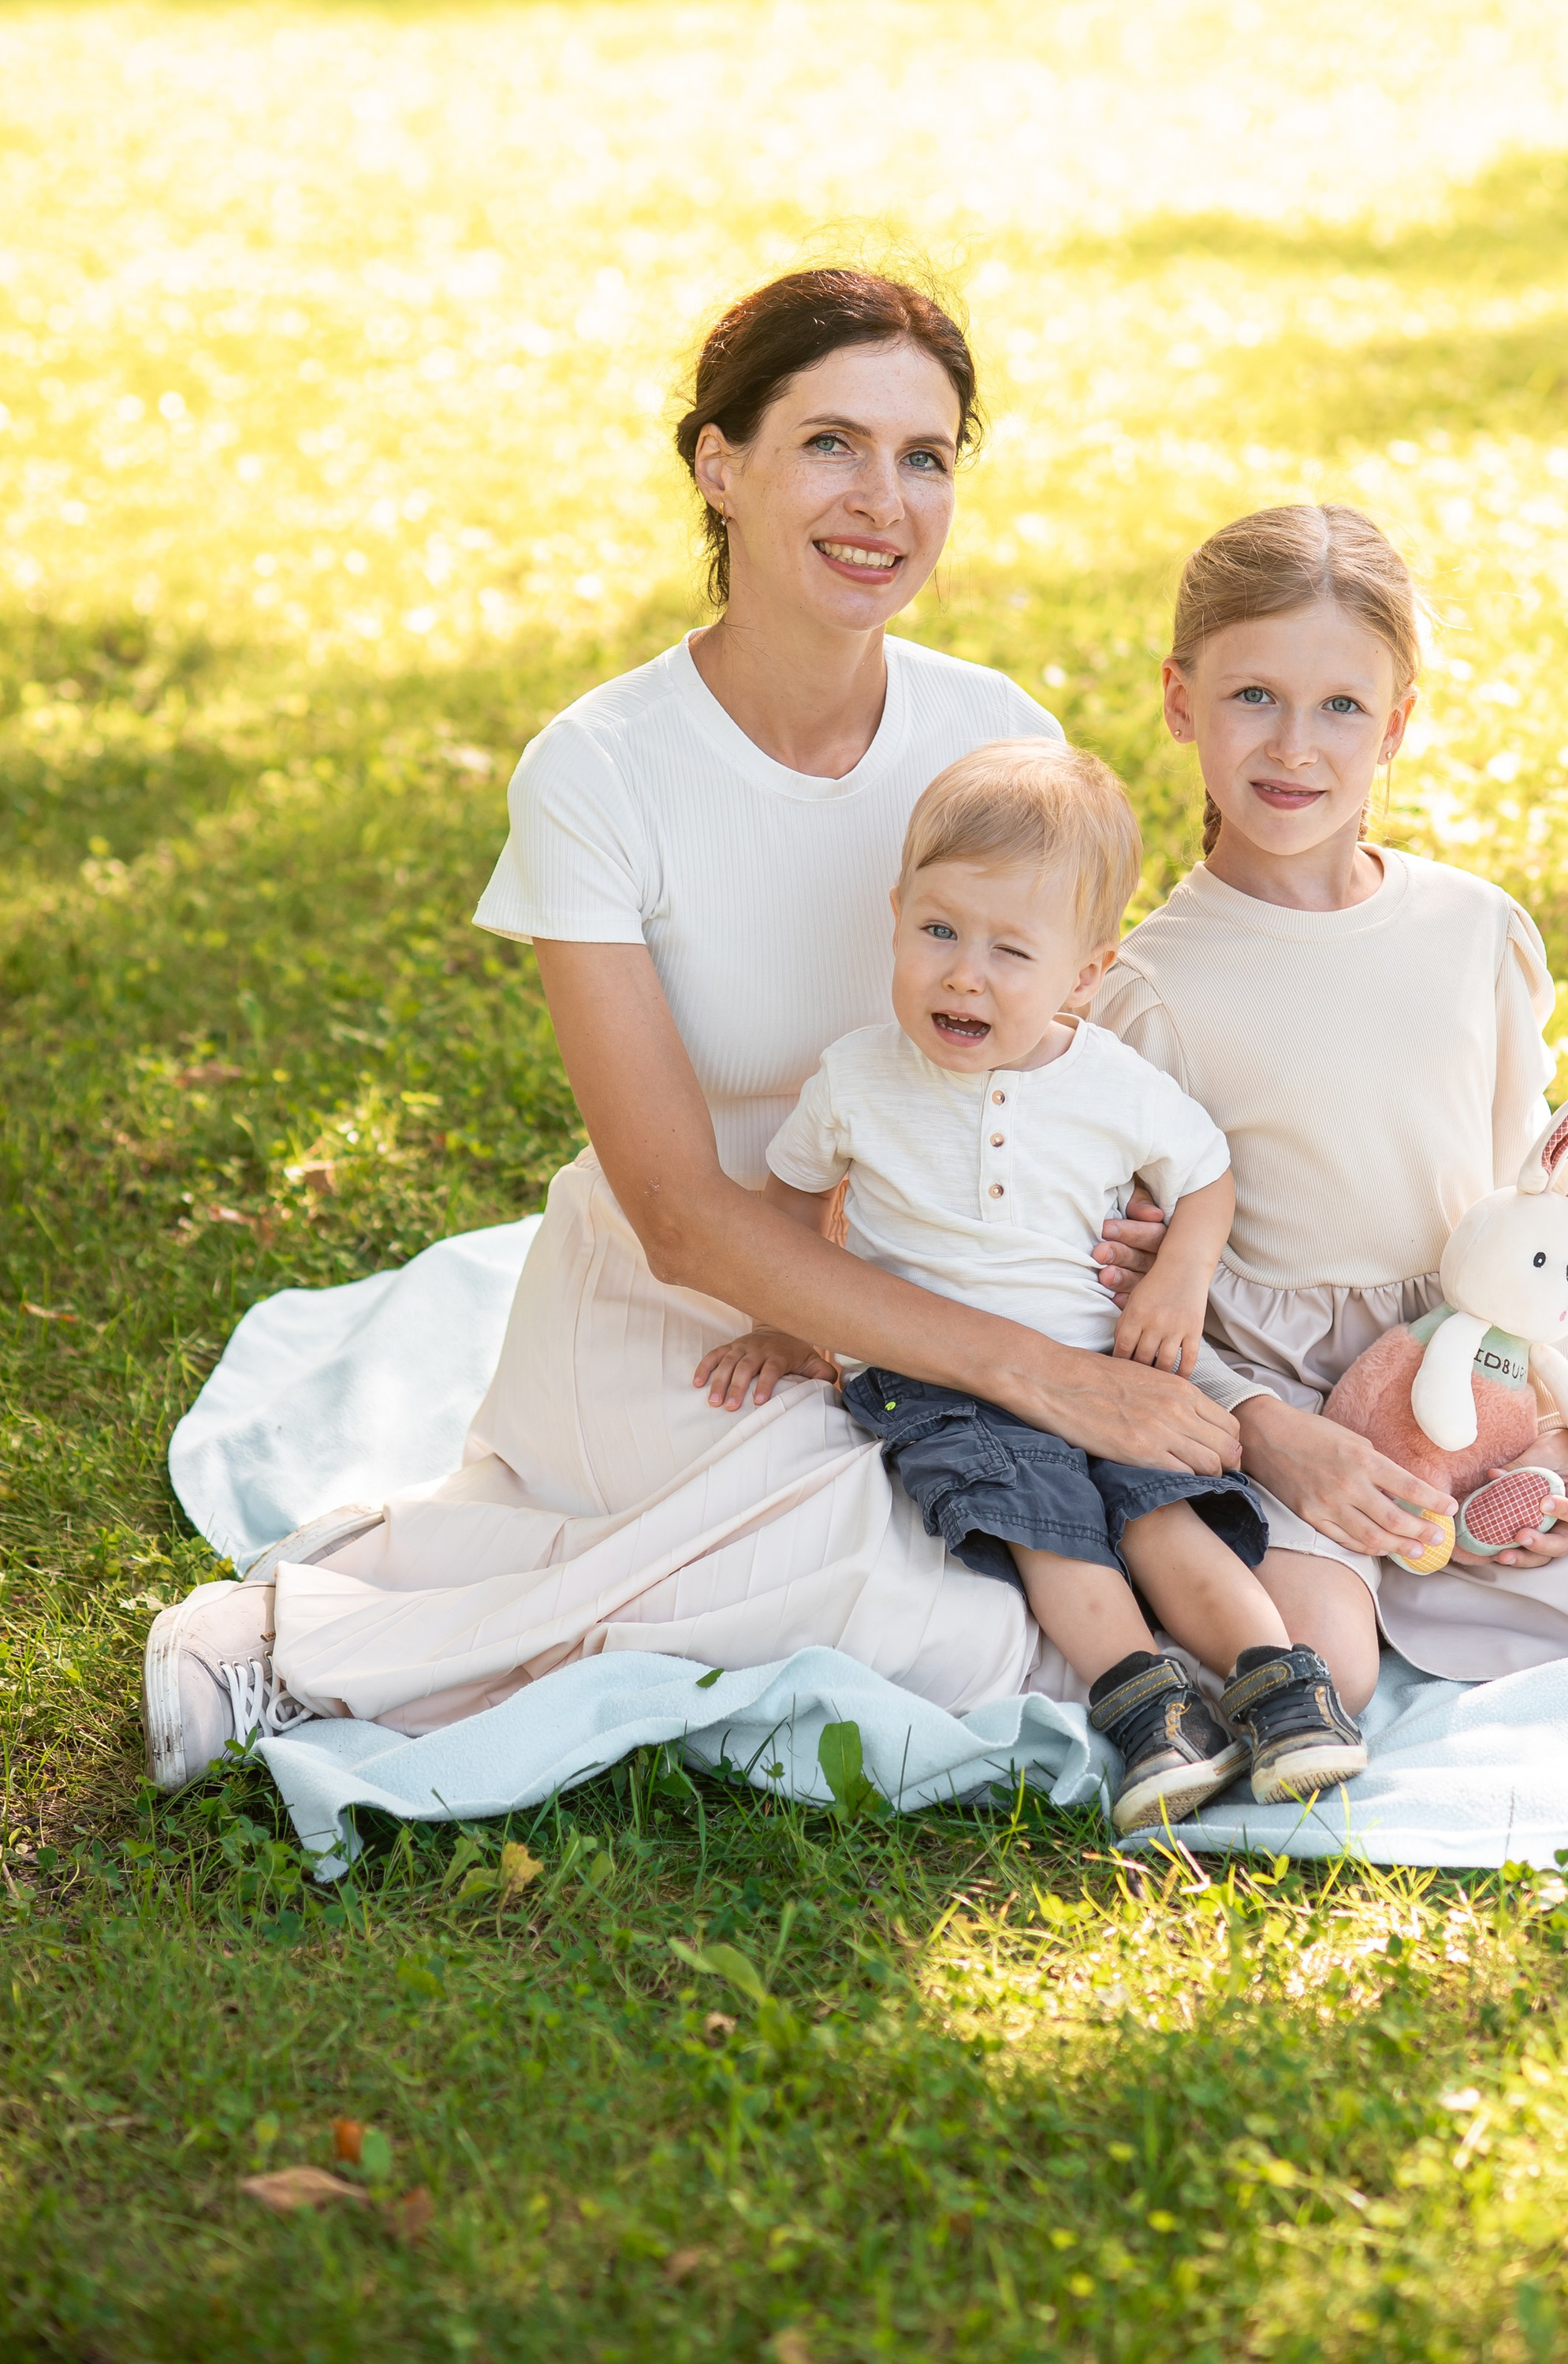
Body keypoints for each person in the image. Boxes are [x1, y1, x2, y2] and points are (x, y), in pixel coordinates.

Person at [143, 268, 1243, 1792]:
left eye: (926, 458)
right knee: (932, 1603)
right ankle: (300, 1636)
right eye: (831, 445)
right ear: (719, 464)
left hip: (939, 1269)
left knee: (1032, 1566)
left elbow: (1060, 1053)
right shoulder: (598, 767)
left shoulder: (991, 732)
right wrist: (1039, 1377)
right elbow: (673, 1212)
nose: (883, 501)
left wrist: (1119, 1244)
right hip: (700, 1311)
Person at [1087, 501, 1568, 1688]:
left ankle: (1465, 1541)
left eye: (1343, 707)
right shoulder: (1154, 988)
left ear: (1397, 724)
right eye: (1253, 697)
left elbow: (1529, 1212)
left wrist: (1552, 1435)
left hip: (1473, 1366)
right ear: (1178, 701)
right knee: (1322, 1674)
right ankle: (1370, 1567)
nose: (1295, 747)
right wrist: (1272, 1433)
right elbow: (1128, 1292)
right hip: (1281, 1402)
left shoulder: (1474, 931)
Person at [698, 737, 1368, 1833]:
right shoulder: (858, 1077)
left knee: (1162, 1520)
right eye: (939, 932)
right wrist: (785, 1326)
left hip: (1112, 1363)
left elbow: (1206, 1179)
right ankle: (1151, 1714)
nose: (965, 973)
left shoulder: (1111, 1081)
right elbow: (790, 1206)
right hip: (939, 1380)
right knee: (1050, 1530)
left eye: (1014, 952)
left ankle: (1282, 1690)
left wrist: (1178, 1286)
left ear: (1084, 977)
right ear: (897, 914)